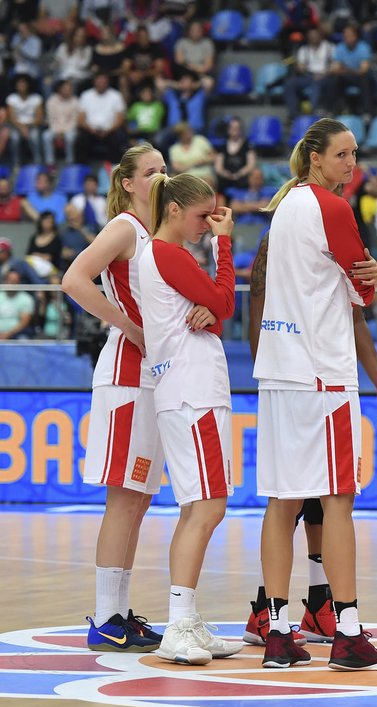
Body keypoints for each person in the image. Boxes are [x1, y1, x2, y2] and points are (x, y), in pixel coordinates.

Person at [254, 117, 377, 671]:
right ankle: (348, 631)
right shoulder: (333, 209)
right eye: (342, 155)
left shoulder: (283, 207)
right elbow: (363, 285)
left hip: (279, 368)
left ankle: (277, 631)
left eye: (355, 155)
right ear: (315, 158)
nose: (351, 165)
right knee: (338, 499)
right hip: (323, 373)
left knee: (282, 499)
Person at [61, 144, 171, 653]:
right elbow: (73, 279)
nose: (161, 177)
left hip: (153, 376)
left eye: (165, 169)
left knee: (140, 500)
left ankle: (119, 613)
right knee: (124, 499)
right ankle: (105, 616)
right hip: (127, 374)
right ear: (127, 182)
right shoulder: (126, 227)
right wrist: (129, 326)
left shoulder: (157, 231)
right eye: (151, 172)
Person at [138, 173, 242, 665]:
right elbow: (225, 303)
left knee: (195, 508)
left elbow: (216, 312)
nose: (210, 223)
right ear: (175, 209)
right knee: (207, 508)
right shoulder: (167, 254)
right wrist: (225, 248)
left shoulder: (161, 256)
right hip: (191, 390)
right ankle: (178, 625)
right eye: (204, 215)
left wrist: (213, 310)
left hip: (185, 388)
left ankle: (186, 619)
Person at [0, 269, 35, 340]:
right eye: (10, 281)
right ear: (5, 281)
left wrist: (7, 334)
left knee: (23, 339)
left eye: (15, 281)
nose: (12, 284)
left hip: (16, 334)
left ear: (19, 282)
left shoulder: (26, 298)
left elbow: (24, 322)